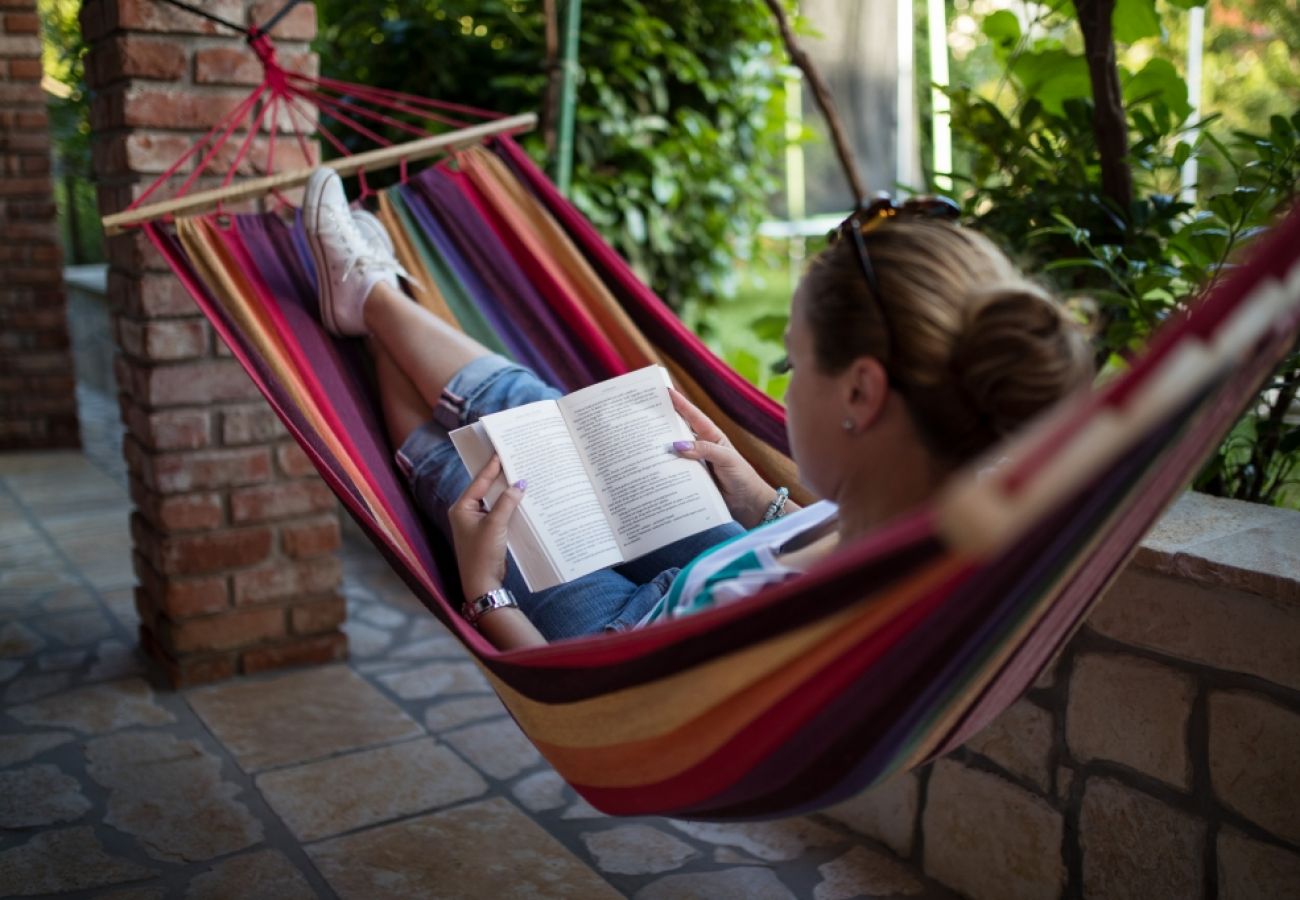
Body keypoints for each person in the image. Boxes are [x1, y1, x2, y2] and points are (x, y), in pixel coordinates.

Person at [302, 168, 1093, 651]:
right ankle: (376, 298)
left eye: (792, 362)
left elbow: (594, 711)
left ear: (860, 393)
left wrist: (486, 594)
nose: (783, 388)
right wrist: (763, 501)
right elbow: (826, 547)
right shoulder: (937, 517)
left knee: (472, 472)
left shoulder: (855, 590)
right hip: (725, 559)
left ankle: (375, 298)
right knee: (544, 423)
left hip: (627, 637)